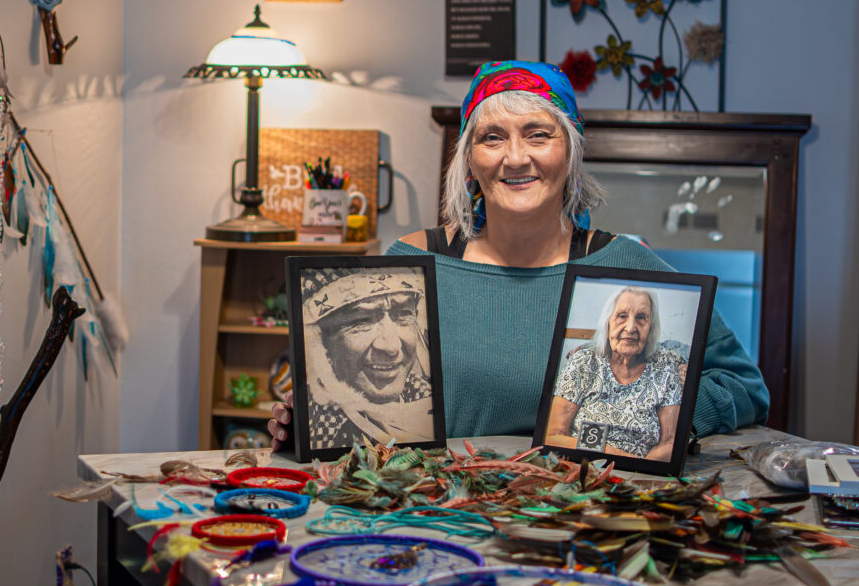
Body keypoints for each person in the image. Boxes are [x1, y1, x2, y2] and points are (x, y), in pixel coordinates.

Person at [270, 60, 768, 449]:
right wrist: (314, 424)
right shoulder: (412, 264)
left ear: (570, 152)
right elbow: (371, 404)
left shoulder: (624, 266)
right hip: (437, 518)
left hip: (578, 524)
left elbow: (744, 387)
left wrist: (661, 413)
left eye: (538, 134)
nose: (515, 157)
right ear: (469, 160)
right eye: (492, 138)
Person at [298, 267, 434, 450]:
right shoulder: (320, 429)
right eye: (362, 321)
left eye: (403, 314)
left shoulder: (426, 399)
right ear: (321, 341)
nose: (391, 347)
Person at [545, 287, 685, 461]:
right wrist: (615, 456)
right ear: (608, 322)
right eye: (622, 316)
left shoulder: (665, 367)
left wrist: (641, 470)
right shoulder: (584, 362)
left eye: (641, 318)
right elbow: (553, 435)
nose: (631, 327)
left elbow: (669, 443)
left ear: (651, 327)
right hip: (581, 466)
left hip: (641, 474)